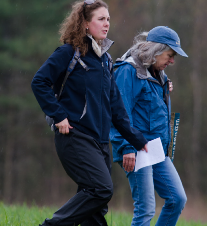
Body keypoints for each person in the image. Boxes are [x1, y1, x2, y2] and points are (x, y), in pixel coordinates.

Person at [31, 1, 148, 225]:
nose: (107, 24)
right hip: (75, 137)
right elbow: (39, 82)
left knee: (96, 207)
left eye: (109, 19)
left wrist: (137, 139)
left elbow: (116, 108)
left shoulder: (104, 60)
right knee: (100, 189)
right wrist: (58, 115)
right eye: (101, 19)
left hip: (101, 141)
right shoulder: (68, 53)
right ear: (85, 24)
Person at [110, 26, 188, 226]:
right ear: (156, 50)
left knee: (177, 199)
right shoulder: (128, 70)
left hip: (157, 149)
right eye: (170, 55)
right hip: (136, 148)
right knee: (146, 210)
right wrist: (126, 146)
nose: (172, 61)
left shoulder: (158, 74)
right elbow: (119, 112)